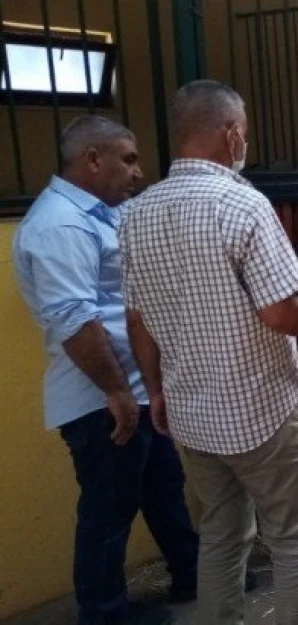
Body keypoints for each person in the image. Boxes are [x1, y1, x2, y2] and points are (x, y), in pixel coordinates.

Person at [119, 80, 298, 625]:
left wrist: (155, 390)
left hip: (191, 413)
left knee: (221, 536)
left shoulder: (137, 214)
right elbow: (279, 310)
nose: (244, 142)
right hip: (262, 409)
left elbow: (136, 318)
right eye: (245, 132)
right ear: (230, 134)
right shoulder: (243, 203)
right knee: (297, 540)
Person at [12, 116, 197, 625]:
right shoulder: (60, 225)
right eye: (129, 160)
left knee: (163, 485)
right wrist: (115, 391)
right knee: (108, 509)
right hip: (102, 399)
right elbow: (75, 318)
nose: (138, 172)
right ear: (93, 160)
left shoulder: (104, 212)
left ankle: (192, 570)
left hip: (135, 388)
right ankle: (104, 613)